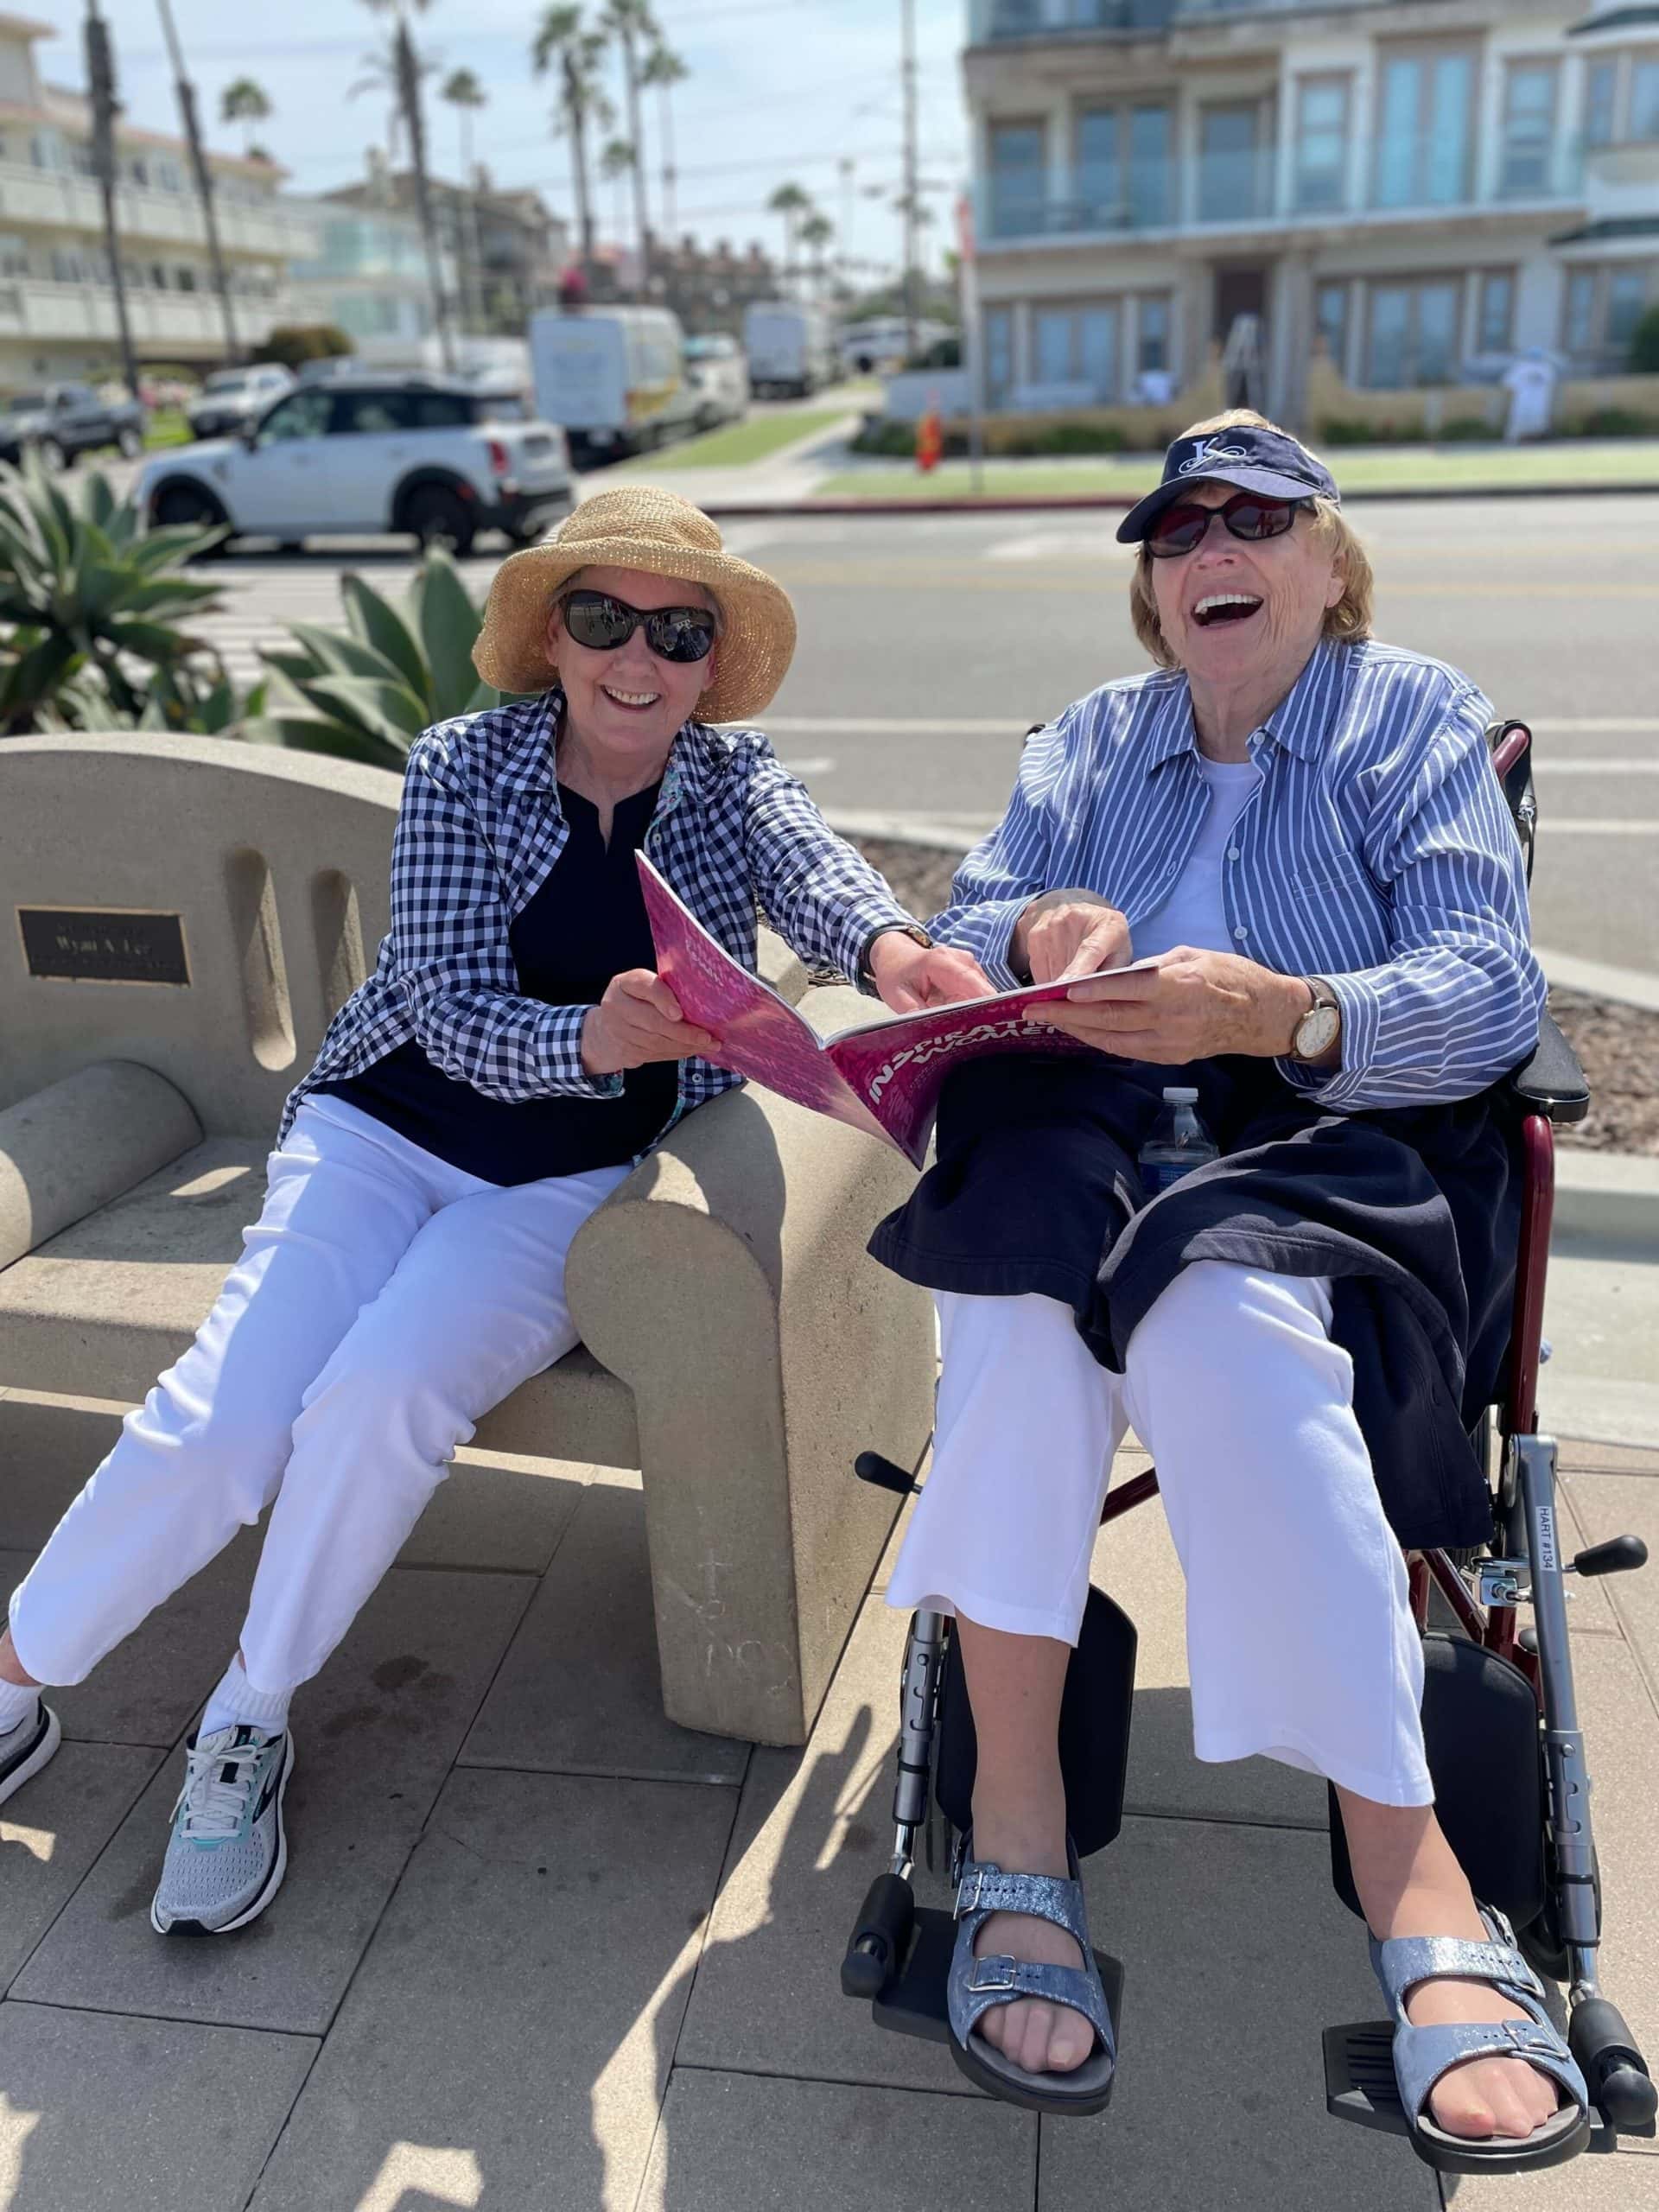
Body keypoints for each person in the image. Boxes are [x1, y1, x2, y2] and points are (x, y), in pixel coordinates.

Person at [0, 486, 985, 1936]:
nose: (636, 658)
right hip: (385, 1133)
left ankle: (246, 1716)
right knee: (225, 1418)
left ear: (714, 660)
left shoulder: (733, 778)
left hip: (565, 1181)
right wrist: (600, 1036)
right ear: (553, 632)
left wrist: (900, 952)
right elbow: (448, 1012)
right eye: (603, 617)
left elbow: (821, 877)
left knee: (381, 1396)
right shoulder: (464, 765)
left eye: (678, 629)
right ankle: (20, 1677)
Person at [868, 413, 1591, 2168]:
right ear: (1151, 586)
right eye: (1179, 529)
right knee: (1023, 1326)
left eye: (1258, 519)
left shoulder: (1407, 713)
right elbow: (974, 912)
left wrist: (1276, 1010)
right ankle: (1020, 1815)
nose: (1214, 551)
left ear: (1330, 560)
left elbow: (1491, 986)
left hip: (1311, 1124)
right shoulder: (1095, 740)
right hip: (1081, 1112)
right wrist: (1037, 936)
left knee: (1230, 1333)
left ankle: (1407, 1859)